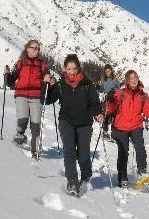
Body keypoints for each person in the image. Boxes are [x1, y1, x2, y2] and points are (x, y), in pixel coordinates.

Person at [45, 54, 102, 196]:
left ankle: (86, 175)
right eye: (69, 68)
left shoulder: (87, 84)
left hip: (84, 123)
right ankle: (72, 181)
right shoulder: (60, 84)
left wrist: (98, 113)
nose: (71, 71)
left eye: (74, 68)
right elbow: (47, 100)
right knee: (69, 151)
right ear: (65, 69)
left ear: (78, 68)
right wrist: (47, 86)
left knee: (83, 154)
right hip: (66, 121)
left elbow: (95, 102)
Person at [105, 70, 149, 188]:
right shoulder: (120, 93)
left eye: (135, 77)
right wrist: (110, 100)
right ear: (128, 80)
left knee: (140, 148)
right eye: (131, 78)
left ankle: (142, 172)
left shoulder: (143, 95)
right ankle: (123, 178)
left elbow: (148, 111)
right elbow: (111, 108)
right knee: (123, 152)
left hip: (136, 126)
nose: (134, 79)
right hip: (121, 127)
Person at [4, 40, 51, 159]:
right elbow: (10, 82)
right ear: (27, 49)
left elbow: (48, 78)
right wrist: (7, 75)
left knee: (36, 124)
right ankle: (20, 134)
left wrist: (48, 78)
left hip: (36, 95)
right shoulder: (20, 63)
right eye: (34, 48)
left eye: (38, 49)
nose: (36, 50)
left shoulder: (42, 64)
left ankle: (35, 152)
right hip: (21, 94)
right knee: (23, 120)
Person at [98, 64, 120, 141]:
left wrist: (114, 91)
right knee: (106, 115)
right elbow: (101, 89)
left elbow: (118, 88)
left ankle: (113, 133)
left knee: (114, 116)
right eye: (106, 71)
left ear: (111, 70)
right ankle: (105, 132)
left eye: (109, 71)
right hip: (106, 99)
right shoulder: (103, 79)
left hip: (114, 99)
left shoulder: (115, 79)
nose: (108, 72)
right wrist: (99, 87)